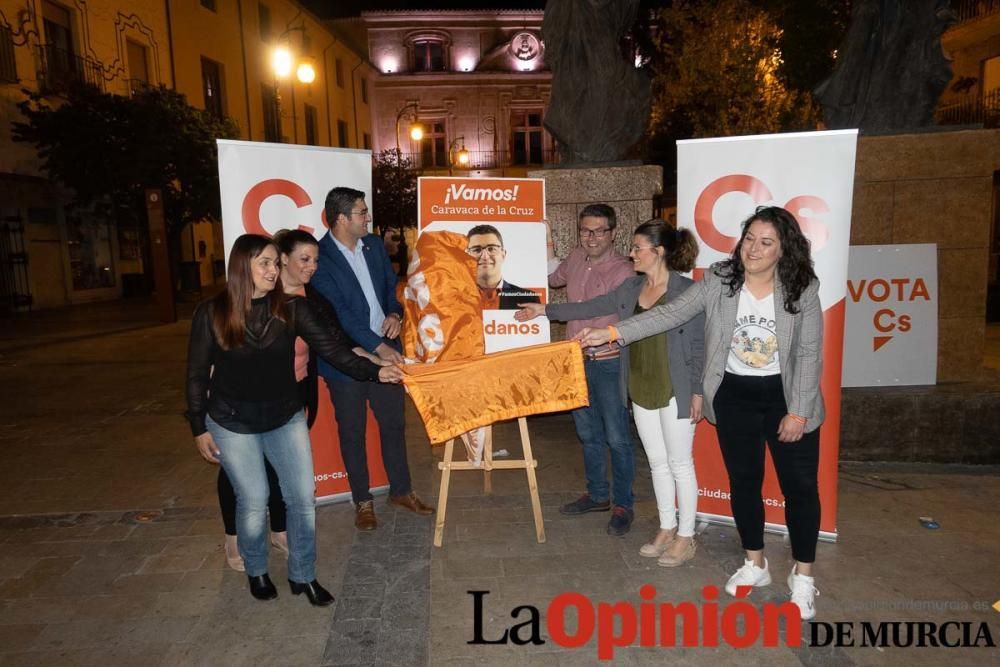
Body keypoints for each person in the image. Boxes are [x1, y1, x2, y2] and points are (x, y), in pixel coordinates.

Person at [577, 206, 824, 619]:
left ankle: (803, 578)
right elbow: (671, 312)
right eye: (749, 239)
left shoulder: (801, 287)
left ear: (784, 249)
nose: (754, 249)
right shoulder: (721, 281)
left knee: (799, 489)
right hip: (734, 394)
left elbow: (810, 352)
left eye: (766, 242)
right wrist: (615, 331)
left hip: (786, 396)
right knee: (744, 483)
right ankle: (755, 564)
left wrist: (798, 412)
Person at [186, 234, 403, 605]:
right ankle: (256, 569)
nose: (274, 270)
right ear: (243, 267)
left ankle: (303, 575)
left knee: (302, 498)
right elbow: (195, 373)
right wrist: (198, 427)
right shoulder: (212, 313)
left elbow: (334, 351)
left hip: (284, 416)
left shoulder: (292, 309)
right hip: (232, 420)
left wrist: (376, 370)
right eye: (265, 263)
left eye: (275, 262)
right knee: (254, 499)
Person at [519, 218, 705, 559]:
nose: (631, 254)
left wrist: (697, 392)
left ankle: (686, 535)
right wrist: (544, 310)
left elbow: (698, 346)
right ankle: (666, 527)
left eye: (638, 248)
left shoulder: (687, 291)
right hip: (640, 382)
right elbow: (592, 307)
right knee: (658, 462)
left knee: (680, 463)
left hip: (675, 386)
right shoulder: (633, 288)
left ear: (658, 252)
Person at [310, 187, 434, 531]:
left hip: (385, 347)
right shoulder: (319, 258)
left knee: (394, 424)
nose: (368, 218)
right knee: (352, 431)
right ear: (341, 219)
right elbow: (342, 315)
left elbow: (391, 287)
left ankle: (401, 490)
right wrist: (379, 350)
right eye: (362, 212)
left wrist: (396, 315)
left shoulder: (375, 246)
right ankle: (362, 501)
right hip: (347, 358)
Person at [523, 204, 637, 535]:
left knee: (617, 436)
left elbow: (591, 307)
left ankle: (623, 504)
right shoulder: (575, 257)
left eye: (599, 230)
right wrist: (545, 241)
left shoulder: (624, 272)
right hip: (575, 361)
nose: (592, 237)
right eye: (585, 230)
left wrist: (547, 310)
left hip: (608, 362)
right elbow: (550, 276)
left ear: (614, 232)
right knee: (587, 433)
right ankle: (598, 495)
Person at [466, 224, 540, 310]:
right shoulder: (450, 298)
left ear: (503, 255)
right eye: (476, 250)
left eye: (491, 248)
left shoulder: (528, 299)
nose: (485, 256)